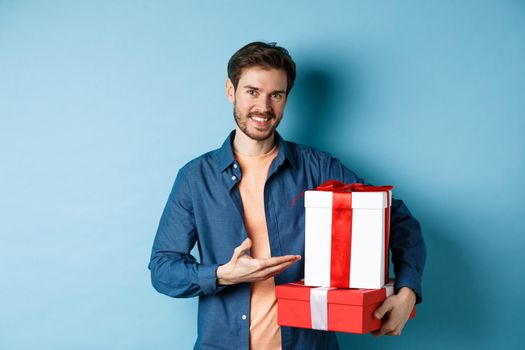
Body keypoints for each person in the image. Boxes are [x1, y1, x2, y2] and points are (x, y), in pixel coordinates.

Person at [148, 41, 426, 350]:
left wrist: (407, 291)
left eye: (275, 95)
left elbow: (395, 217)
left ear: (286, 99)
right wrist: (222, 274)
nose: (264, 107)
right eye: (252, 92)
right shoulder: (195, 178)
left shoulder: (318, 167)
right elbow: (163, 269)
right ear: (231, 91)